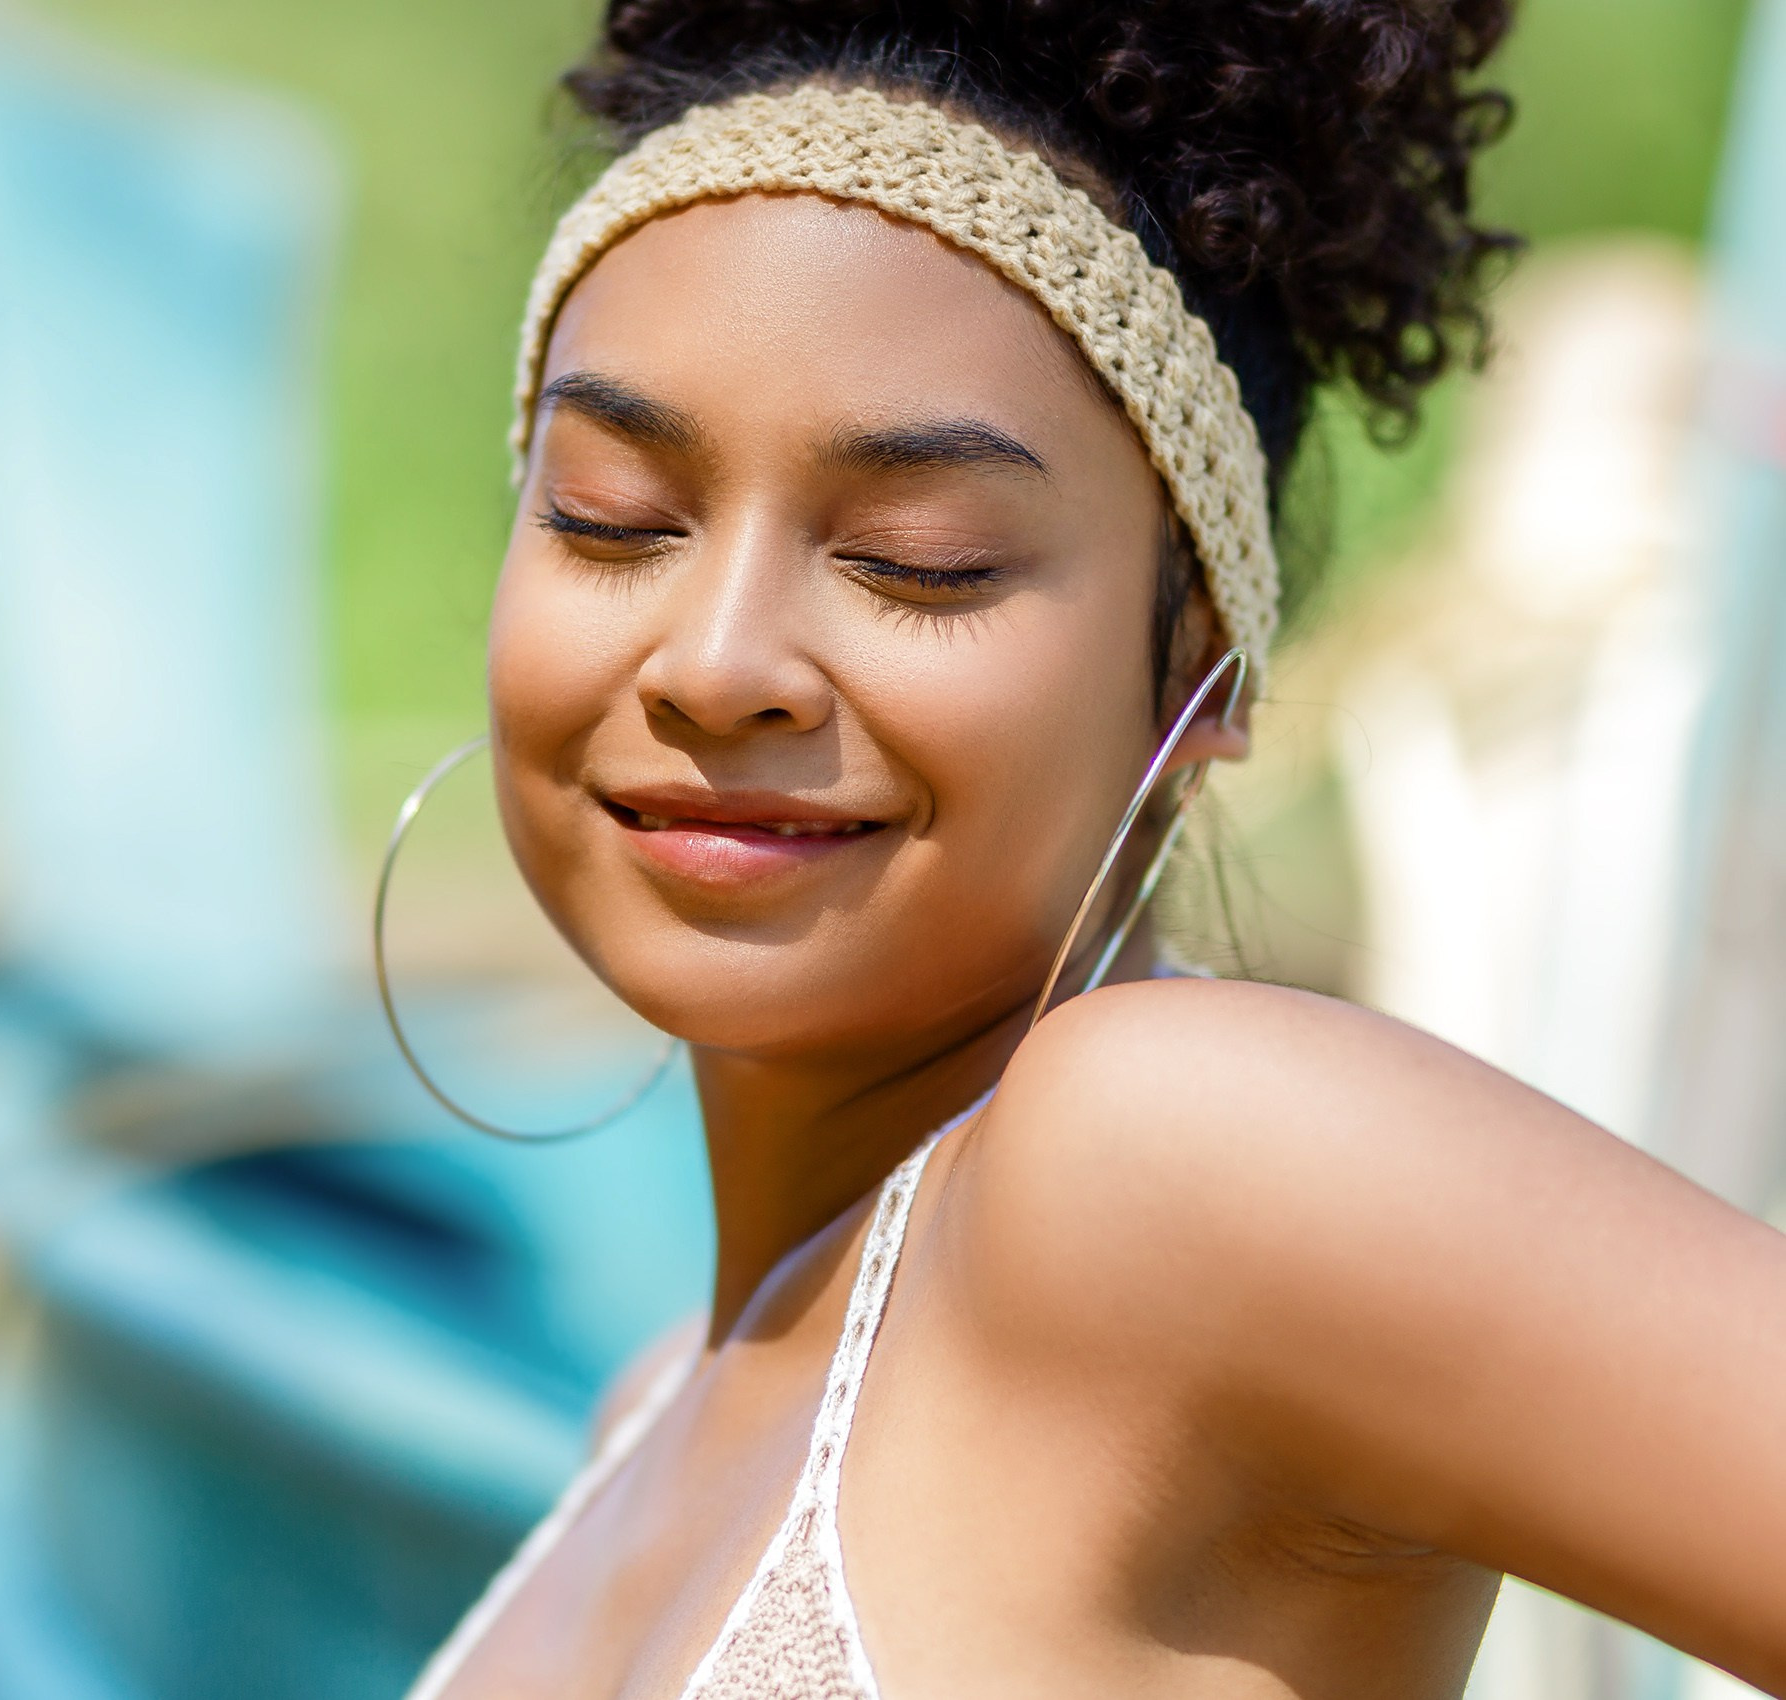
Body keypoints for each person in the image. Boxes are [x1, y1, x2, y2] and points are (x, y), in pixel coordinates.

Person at [385, 3, 1786, 1696]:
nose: (712, 661)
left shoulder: (1161, 1154)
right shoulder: (645, 1412)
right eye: (611, 519)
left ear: (1194, 668)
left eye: (921, 558)